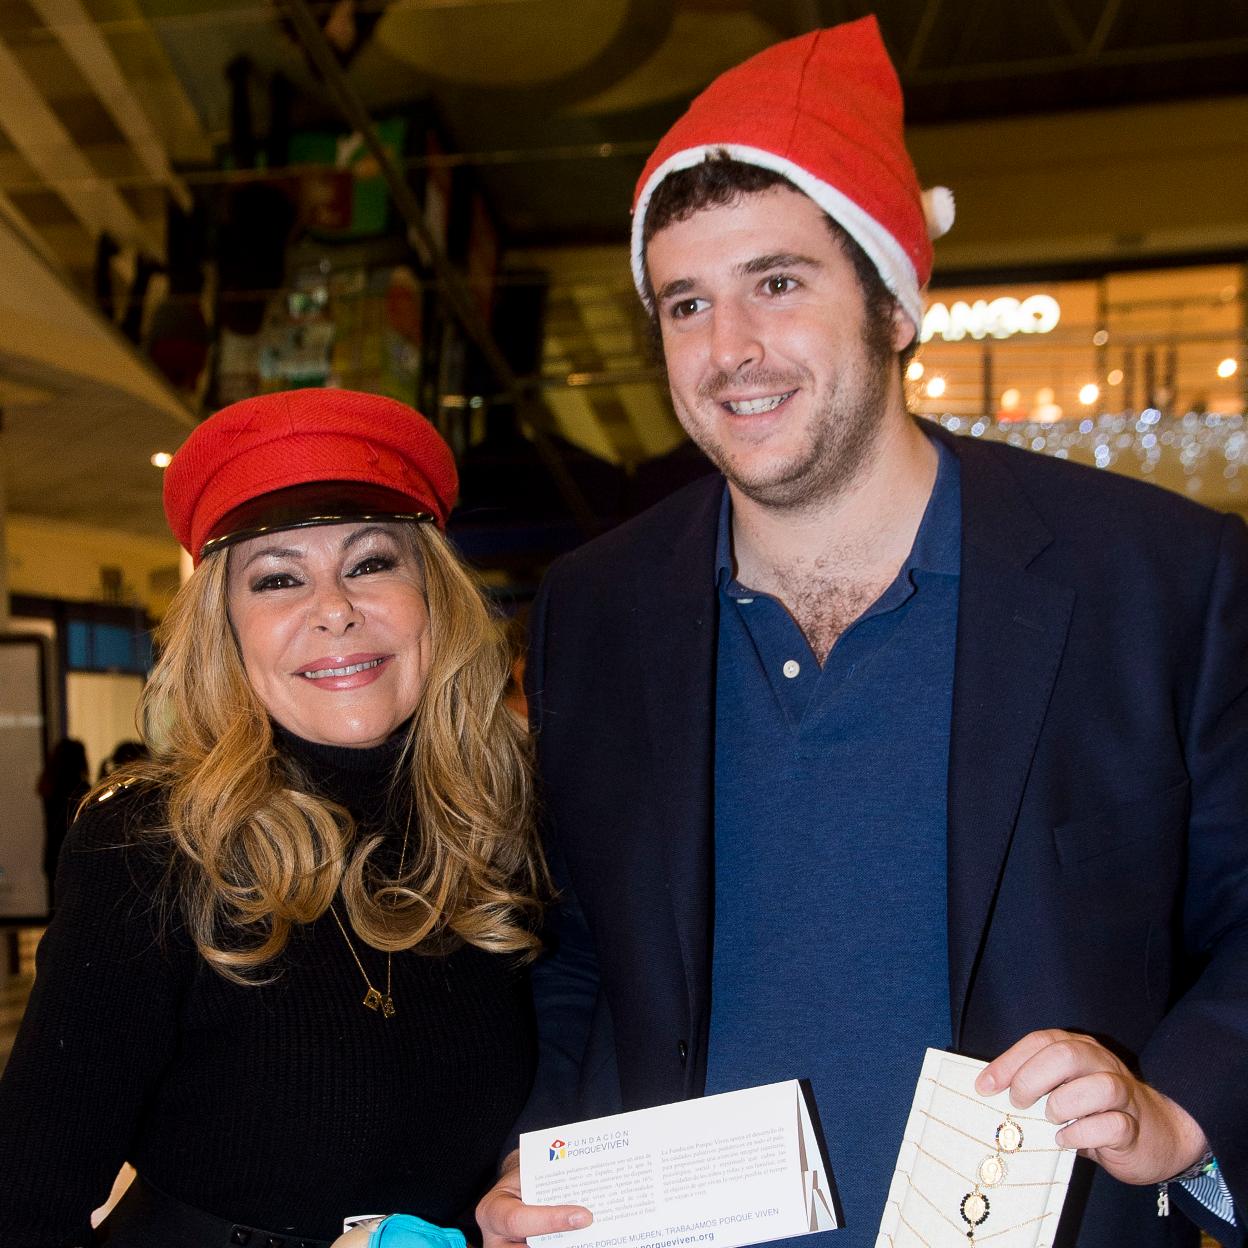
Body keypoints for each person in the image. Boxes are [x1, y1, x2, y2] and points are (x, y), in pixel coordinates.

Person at [476, 18, 1246, 1248]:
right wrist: (540, 1149)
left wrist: (1180, 1110)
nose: (730, 351)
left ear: (892, 306)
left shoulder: (1155, 579)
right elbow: (577, 948)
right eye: (686, 303)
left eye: (777, 283)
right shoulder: (600, 609)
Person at [0, 389, 546, 1248]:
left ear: (433, 598)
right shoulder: (151, 848)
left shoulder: (503, 824)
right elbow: (28, 1198)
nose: (334, 608)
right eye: (279, 579)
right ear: (227, 630)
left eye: (371, 563)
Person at [36, 737, 90, 908]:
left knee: (58, 905)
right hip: (74, 853)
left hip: (53, 851)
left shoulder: (50, 787)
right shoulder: (81, 790)